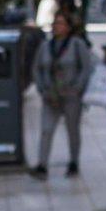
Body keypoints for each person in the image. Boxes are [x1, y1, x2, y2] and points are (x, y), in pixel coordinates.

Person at [31, 10, 94, 180]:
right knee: (46, 130)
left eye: (60, 23)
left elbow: (86, 68)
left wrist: (78, 88)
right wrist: (42, 88)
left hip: (71, 96)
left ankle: (74, 161)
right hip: (50, 96)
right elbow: (36, 68)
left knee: (72, 130)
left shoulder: (76, 44)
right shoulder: (45, 46)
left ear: (68, 27)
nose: (56, 26)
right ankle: (42, 165)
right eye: (55, 23)